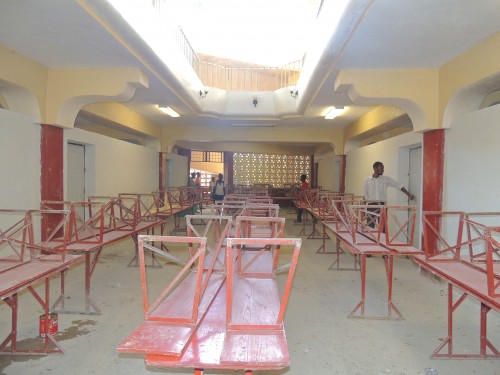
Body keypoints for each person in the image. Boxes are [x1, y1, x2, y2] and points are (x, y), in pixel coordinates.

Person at [363, 161, 415, 228]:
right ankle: (370, 238)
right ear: (375, 169)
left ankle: (383, 238)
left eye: (383, 168)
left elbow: (398, 185)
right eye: (381, 168)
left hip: (382, 206)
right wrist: (363, 210)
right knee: (370, 228)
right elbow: (365, 196)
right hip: (371, 207)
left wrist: (409, 194)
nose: (383, 170)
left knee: (383, 228)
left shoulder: (385, 179)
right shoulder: (367, 180)